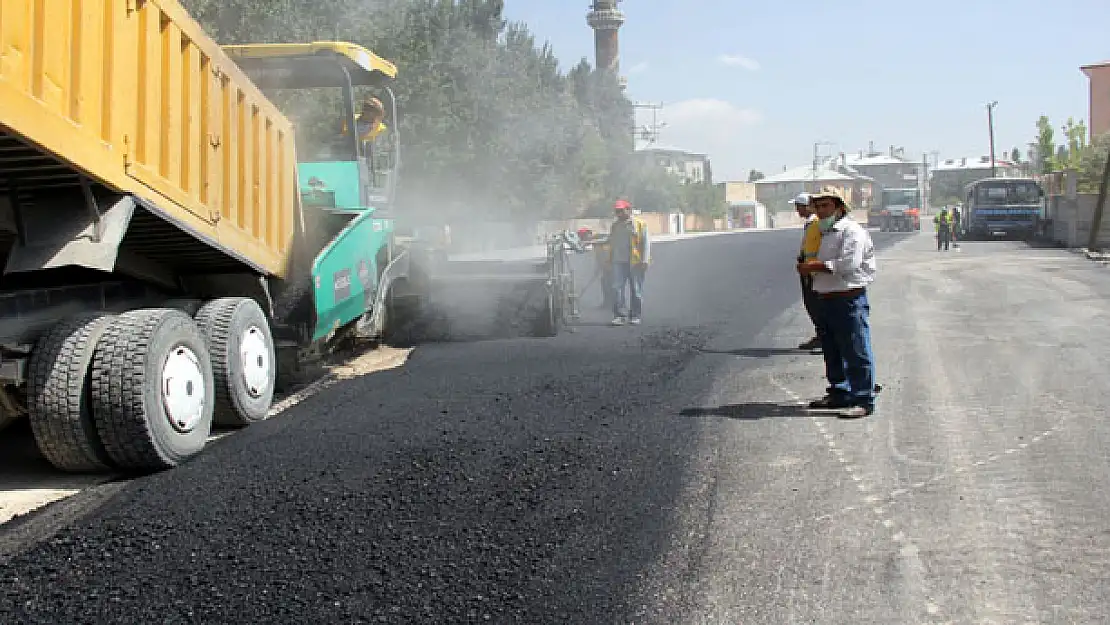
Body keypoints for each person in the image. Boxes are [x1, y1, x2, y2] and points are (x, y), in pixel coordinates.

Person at [796, 187, 877, 418]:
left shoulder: (852, 232)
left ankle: (863, 398)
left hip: (848, 298)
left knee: (856, 350)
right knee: (832, 350)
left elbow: (847, 264)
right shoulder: (823, 233)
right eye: (818, 206)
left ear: (839, 207)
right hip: (825, 297)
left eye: (826, 206)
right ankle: (840, 393)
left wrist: (814, 267)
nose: (821, 211)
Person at [607, 199, 650, 326]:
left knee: (636, 290)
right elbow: (611, 242)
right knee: (616, 289)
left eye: (621, 210)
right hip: (618, 262)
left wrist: (645, 260)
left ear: (628, 210)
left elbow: (646, 243)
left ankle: (635, 315)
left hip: (635, 262)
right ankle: (619, 315)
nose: (618, 213)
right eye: (616, 211)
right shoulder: (615, 226)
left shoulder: (640, 224)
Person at [791, 193, 823, 351]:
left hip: (813, 271)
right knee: (811, 304)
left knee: (816, 305)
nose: (797, 210)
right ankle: (821, 336)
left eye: (799, 207)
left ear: (808, 206)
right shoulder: (811, 224)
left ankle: (825, 339)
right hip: (808, 269)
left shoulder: (816, 223)